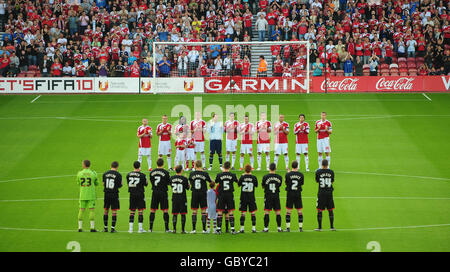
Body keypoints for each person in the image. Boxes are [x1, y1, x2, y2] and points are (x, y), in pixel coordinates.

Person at [188, 160, 212, 233]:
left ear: (195, 165)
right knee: (203, 211)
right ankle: (204, 229)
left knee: (194, 211)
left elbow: (191, 183)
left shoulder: (191, 174)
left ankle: (193, 229)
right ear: (201, 165)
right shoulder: (205, 174)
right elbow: (211, 182)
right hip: (203, 194)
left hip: (195, 193)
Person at [214, 161, 238, 234]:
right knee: (230, 211)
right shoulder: (233, 175)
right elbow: (238, 182)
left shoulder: (219, 175)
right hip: (229, 194)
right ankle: (233, 229)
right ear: (230, 167)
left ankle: (218, 229)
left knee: (220, 211)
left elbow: (216, 181)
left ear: (223, 167)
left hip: (221, 195)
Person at [149, 158, 171, 233]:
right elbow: (169, 182)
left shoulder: (152, 172)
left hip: (155, 192)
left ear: (156, 163)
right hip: (163, 192)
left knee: (152, 210)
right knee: (165, 210)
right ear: (163, 163)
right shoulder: (166, 172)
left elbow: (151, 181)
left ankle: (150, 228)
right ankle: (167, 229)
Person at [77, 159, 99, 232]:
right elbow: (97, 183)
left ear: (84, 165)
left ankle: (80, 228)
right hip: (91, 194)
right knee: (91, 210)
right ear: (89, 165)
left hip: (83, 194)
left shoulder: (79, 173)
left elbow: (78, 183)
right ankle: (92, 228)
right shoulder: (93, 173)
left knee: (81, 210)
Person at [126, 161, 148, 233]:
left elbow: (128, 184)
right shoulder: (142, 175)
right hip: (140, 194)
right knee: (140, 211)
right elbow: (146, 184)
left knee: (132, 211)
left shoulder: (128, 175)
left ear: (133, 166)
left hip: (132, 194)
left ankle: (130, 229)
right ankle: (140, 229)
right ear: (139, 166)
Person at [315, 159, 335, 231]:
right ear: (327, 164)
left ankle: (319, 227)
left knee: (319, 210)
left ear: (322, 164)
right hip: (329, 193)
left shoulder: (318, 172)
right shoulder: (331, 172)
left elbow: (317, 181)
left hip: (321, 193)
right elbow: (332, 181)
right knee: (330, 209)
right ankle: (332, 227)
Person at [261, 163, 283, 232]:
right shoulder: (279, 177)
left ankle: (266, 228)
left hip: (268, 196)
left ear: (269, 168)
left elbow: (263, 186)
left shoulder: (265, 177)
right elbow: (279, 185)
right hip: (276, 196)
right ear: (275, 168)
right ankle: (279, 228)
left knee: (267, 212)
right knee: (278, 212)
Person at [102, 161, 122, 233]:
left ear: (111, 166)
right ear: (117, 166)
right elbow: (120, 185)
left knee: (106, 211)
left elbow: (103, 184)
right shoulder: (118, 175)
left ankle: (105, 228)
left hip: (106, 194)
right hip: (114, 194)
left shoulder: (105, 174)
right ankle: (112, 228)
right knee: (114, 212)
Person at [238, 164, 258, 233]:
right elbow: (256, 185)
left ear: (244, 169)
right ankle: (254, 228)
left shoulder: (242, 177)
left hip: (243, 197)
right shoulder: (254, 177)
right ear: (251, 170)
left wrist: (242, 176)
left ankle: (242, 229)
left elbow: (238, 184)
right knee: (253, 212)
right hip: (251, 197)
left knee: (243, 213)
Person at [285, 161, 304, 232]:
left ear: (291, 166)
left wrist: (288, 171)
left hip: (290, 194)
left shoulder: (288, 175)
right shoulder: (301, 175)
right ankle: (300, 228)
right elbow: (301, 183)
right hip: (298, 194)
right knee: (299, 211)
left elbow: (286, 182)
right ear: (297, 166)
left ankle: (288, 228)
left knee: (288, 212)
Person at [169, 165, 190, 234]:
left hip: (174, 198)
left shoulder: (171, 178)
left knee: (175, 214)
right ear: (181, 170)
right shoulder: (184, 179)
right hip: (182, 198)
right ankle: (183, 230)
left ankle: (174, 229)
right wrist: (187, 180)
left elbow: (170, 185)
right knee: (183, 214)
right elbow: (188, 188)